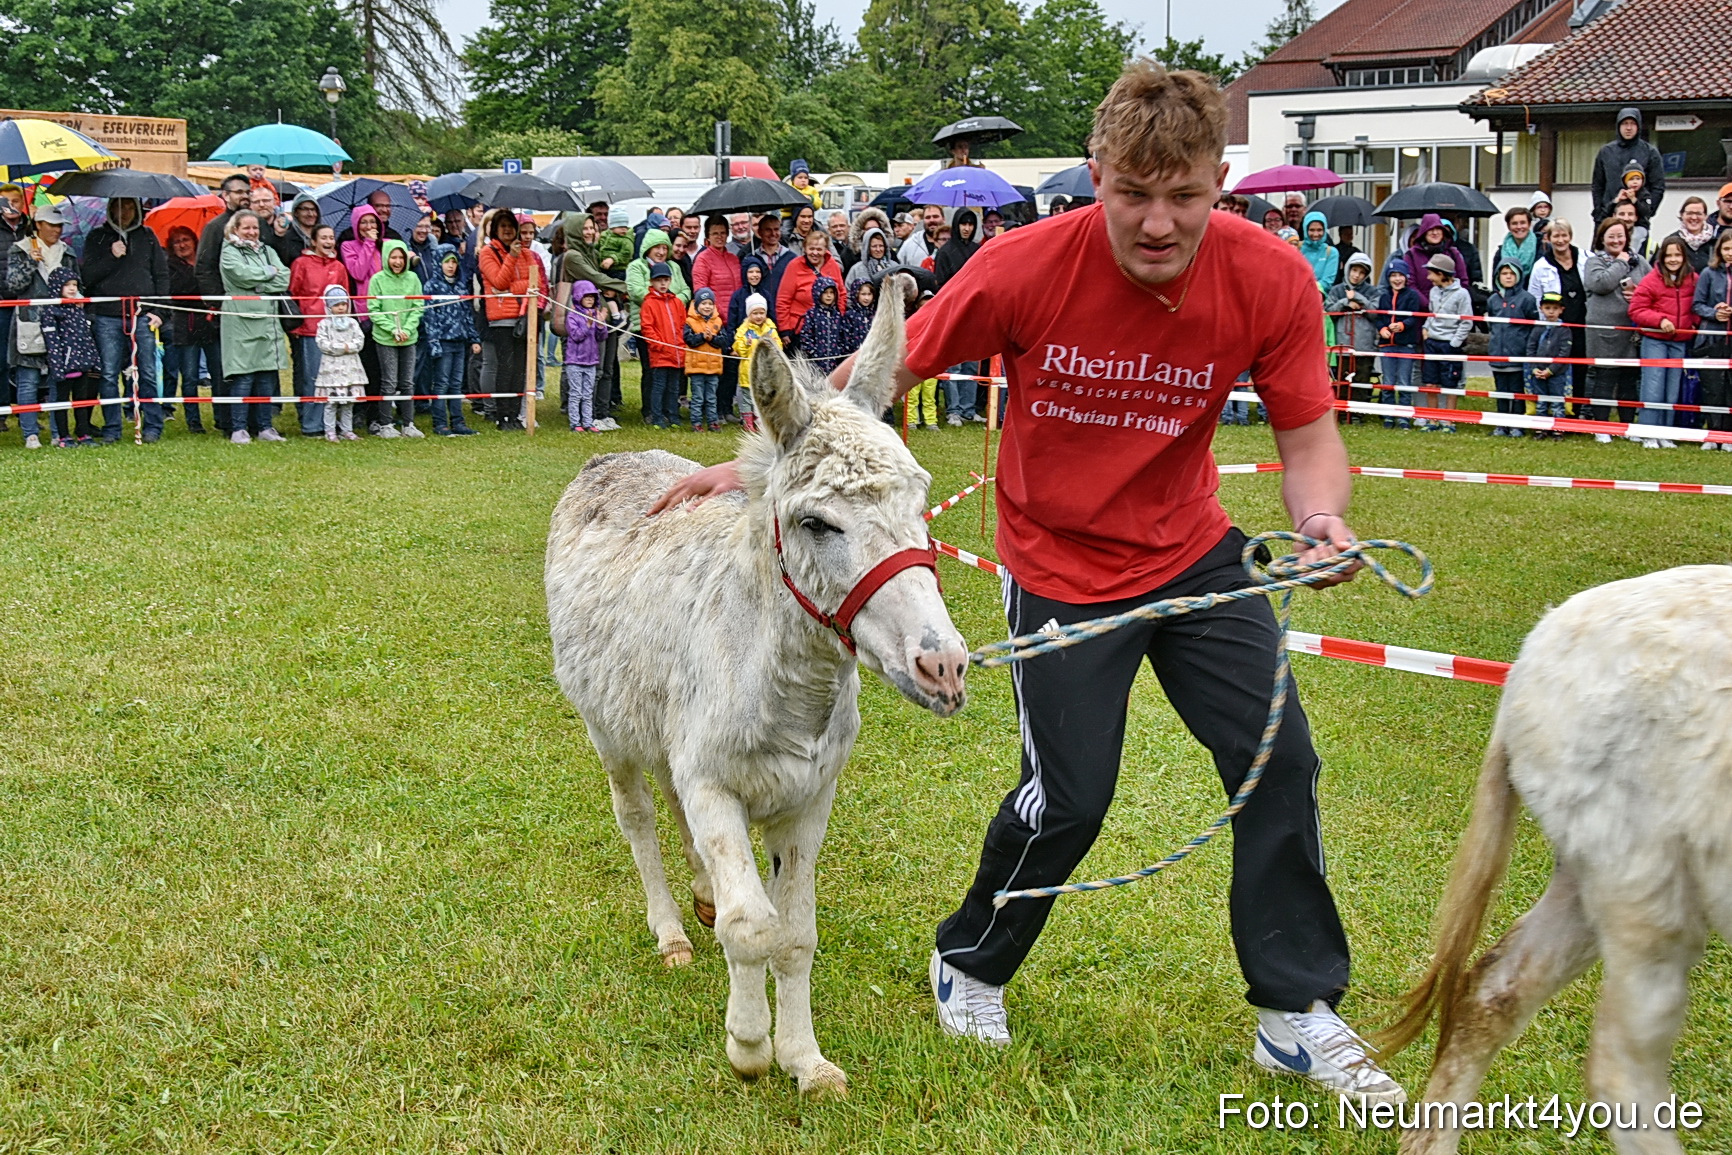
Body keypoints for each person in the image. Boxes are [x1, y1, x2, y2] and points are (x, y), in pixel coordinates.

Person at [648, 58, 1407, 1106]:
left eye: (1182, 197)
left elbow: (1307, 432)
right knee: (1071, 798)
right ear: (1095, 172)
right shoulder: (1022, 267)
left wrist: (1321, 518)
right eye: (1130, 195)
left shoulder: (1269, 279)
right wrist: (755, 466)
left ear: (1218, 180)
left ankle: (1295, 1012)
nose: (1155, 222)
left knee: (1278, 759)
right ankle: (969, 959)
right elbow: (872, 387)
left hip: (1192, 549)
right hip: (1058, 562)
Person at [80, 196, 169, 444]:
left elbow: (161, 276)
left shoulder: (148, 236)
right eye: (120, 206)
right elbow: (87, 278)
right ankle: (112, 428)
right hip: (107, 316)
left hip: (142, 315)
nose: (125, 211)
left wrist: (161, 311)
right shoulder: (96, 237)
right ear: (110, 209)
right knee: (108, 374)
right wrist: (111, 256)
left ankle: (153, 425)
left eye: (130, 206)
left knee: (148, 372)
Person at [218, 210, 291, 444]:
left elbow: (285, 278)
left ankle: (265, 427)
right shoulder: (229, 252)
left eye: (255, 228)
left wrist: (259, 285)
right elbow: (240, 275)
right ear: (235, 229)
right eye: (246, 228)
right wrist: (268, 274)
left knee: (267, 374)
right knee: (244, 374)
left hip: (268, 320)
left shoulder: (269, 251)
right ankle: (238, 428)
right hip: (241, 321)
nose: (252, 232)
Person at [556, 214, 628, 431]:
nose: (589, 232)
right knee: (593, 369)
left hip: (603, 314)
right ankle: (590, 415)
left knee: (607, 368)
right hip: (585, 319)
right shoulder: (573, 256)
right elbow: (597, 279)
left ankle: (604, 413)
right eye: (584, 228)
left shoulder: (593, 253)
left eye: (592, 228)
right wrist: (625, 287)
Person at [1628, 235, 1697, 448]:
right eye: (1669, 255)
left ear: (1684, 257)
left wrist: (1693, 324)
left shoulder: (1694, 278)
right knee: (1653, 385)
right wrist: (1660, 320)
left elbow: (1697, 305)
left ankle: (1665, 433)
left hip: (1680, 340)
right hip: (1655, 340)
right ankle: (1649, 432)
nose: (1673, 259)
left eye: (1677, 255)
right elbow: (1636, 310)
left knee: (1672, 388)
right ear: (1662, 257)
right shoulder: (1652, 279)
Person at [1582, 216, 1649, 432]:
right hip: (1604, 332)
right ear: (1602, 238)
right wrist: (1621, 262)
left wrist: (1639, 293)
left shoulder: (1639, 260)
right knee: (1605, 378)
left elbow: (1653, 286)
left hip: (1631, 330)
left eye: (1620, 235)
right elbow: (1600, 283)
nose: (1616, 240)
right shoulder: (1594, 261)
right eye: (1611, 236)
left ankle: (1627, 426)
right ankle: (1601, 428)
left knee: (1629, 381)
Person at [286, 224, 350, 438]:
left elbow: (345, 296)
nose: (328, 241)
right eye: (323, 237)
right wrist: (296, 324)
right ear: (313, 241)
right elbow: (293, 294)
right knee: (312, 377)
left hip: (335, 329)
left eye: (331, 237)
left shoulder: (339, 267)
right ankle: (311, 424)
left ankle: (331, 423)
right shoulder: (301, 264)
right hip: (310, 328)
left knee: (333, 378)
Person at [476, 209, 532, 430]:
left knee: (520, 369)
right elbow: (498, 282)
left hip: (523, 316)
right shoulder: (487, 253)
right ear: (495, 230)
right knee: (505, 367)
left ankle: (515, 414)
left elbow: (533, 283)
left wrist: (513, 287)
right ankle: (502, 416)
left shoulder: (525, 252)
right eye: (503, 226)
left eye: (511, 225)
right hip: (501, 318)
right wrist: (512, 258)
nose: (508, 230)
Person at [420, 244, 480, 436]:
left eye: (454, 261)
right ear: (439, 263)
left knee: (455, 384)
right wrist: (434, 342)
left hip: (460, 341)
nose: (451, 266)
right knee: (441, 383)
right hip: (442, 342)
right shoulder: (431, 286)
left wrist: (474, 338)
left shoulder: (461, 286)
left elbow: (467, 315)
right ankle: (440, 422)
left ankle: (458, 422)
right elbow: (430, 318)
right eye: (447, 262)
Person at [1527, 219, 1587, 410]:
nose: (1560, 240)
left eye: (1564, 235)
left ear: (1570, 236)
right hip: (1555, 329)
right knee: (1556, 372)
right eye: (1556, 236)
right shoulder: (1540, 266)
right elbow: (1535, 299)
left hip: (1582, 326)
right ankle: (1553, 414)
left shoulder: (1586, 258)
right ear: (1548, 238)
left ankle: (1577, 412)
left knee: (1580, 369)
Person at [368, 238, 424, 438]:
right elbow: (373, 310)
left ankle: (408, 423)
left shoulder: (413, 279)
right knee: (389, 382)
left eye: (401, 257)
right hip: (385, 338)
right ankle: (386, 425)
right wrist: (393, 329)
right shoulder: (377, 280)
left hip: (408, 338)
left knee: (407, 382)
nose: (398, 261)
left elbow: (418, 308)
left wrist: (407, 330)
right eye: (393, 257)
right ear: (386, 258)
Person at [40, 268, 103, 445]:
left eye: (74, 284)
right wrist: (58, 367)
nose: (72, 288)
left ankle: (83, 433)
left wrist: (94, 360)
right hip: (64, 366)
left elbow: (87, 338)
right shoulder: (51, 312)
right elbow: (52, 343)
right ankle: (63, 436)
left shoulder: (79, 311)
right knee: (61, 402)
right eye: (67, 285)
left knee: (81, 401)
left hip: (83, 365)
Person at [161, 226, 212, 434]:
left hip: (210, 323)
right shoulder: (170, 266)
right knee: (189, 376)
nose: (182, 245)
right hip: (184, 325)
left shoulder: (205, 260)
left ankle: (222, 418)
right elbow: (179, 289)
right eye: (176, 242)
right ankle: (193, 421)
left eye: (185, 240)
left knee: (217, 373)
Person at [1485, 259, 1538, 437]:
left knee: (1516, 391)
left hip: (1517, 354)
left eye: (1512, 273)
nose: (1508, 277)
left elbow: (1532, 326)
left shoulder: (1527, 299)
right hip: (1497, 355)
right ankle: (1501, 424)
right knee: (1501, 391)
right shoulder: (1493, 299)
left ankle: (1517, 424)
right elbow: (1492, 324)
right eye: (1504, 273)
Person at [1420, 252, 1471, 432]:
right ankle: (1432, 419)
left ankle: (1449, 420)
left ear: (1441, 273)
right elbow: (1432, 313)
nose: (1428, 277)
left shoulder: (1462, 294)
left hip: (1449, 344)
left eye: (1431, 273)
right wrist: (1426, 329)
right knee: (1430, 382)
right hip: (1432, 342)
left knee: (1450, 383)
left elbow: (1466, 321)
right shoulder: (1433, 291)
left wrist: (1454, 343)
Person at [1692, 230, 1732, 451]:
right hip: (1712, 338)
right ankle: (1712, 433)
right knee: (1712, 388)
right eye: (1726, 249)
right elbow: (1697, 305)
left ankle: (1728, 436)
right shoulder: (1708, 273)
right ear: (1719, 251)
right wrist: (1714, 313)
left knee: (1730, 388)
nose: (1730, 253)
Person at [1323, 253, 1378, 417]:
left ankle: (1357, 414)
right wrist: (1345, 302)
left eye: (1361, 272)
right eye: (1354, 270)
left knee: (1361, 380)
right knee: (1341, 379)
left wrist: (1358, 298)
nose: (1357, 275)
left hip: (1363, 344)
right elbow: (1330, 310)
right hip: (1342, 343)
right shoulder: (1337, 290)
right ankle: (1340, 411)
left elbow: (1375, 312)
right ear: (1348, 269)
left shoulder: (1372, 291)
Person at [1592, 107, 1666, 225]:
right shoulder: (1606, 152)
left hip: (1638, 220)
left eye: (1632, 123)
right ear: (1618, 126)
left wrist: (1647, 211)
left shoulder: (1650, 152)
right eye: (1625, 123)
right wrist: (1600, 212)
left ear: (1639, 126)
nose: (1628, 128)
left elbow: (1658, 186)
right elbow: (1598, 186)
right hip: (1608, 216)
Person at [1374, 266, 1425, 429]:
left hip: (1406, 345)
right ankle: (1388, 415)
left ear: (1406, 277)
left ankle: (1403, 416)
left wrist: (1402, 325)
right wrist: (1382, 329)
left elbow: (1413, 318)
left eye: (1400, 275)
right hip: (1387, 345)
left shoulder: (1412, 296)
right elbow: (1379, 318)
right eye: (1393, 275)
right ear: (1388, 278)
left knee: (1404, 381)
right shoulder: (1384, 296)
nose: (1397, 279)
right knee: (1388, 382)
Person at [313, 286, 366, 441]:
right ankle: (329, 430)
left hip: (351, 368)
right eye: (337, 305)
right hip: (331, 369)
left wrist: (350, 347)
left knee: (349, 402)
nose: (341, 307)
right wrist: (341, 347)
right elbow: (322, 343)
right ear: (329, 306)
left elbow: (359, 341)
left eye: (343, 303)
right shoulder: (324, 324)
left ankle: (346, 429)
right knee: (331, 402)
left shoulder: (353, 323)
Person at [638, 261, 687, 429]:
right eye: (659, 280)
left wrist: (681, 346)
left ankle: (673, 416)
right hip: (660, 354)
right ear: (652, 282)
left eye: (666, 280)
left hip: (676, 353)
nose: (663, 283)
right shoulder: (649, 303)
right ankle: (657, 417)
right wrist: (660, 345)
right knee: (659, 387)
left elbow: (682, 326)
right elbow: (647, 328)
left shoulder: (677, 303)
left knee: (674, 388)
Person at [775, 230, 844, 345]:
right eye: (811, 249)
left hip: (828, 327)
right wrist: (784, 330)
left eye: (819, 249)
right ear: (805, 249)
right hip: (800, 328)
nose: (815, 253)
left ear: (826, 249)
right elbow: (783, 300)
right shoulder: (794, 266)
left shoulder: (832, 265)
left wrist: (838, 317)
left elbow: (841, 293)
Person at [727, 292, 776, 432]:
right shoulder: (744, 330)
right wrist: (747, 344)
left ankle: (760, 420)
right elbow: (739, 348)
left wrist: (772, 343)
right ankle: (747, 421)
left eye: (762, 313)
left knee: (762, 397)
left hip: (765, 371)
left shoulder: (770, 328)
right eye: (755, 313)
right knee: (747, 398)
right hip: (747, 371)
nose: (759, 316)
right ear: (749, 314)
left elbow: (777, 347)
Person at [564, 278, 606, 433]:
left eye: (593, 297)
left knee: (588, 394)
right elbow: (576, 336)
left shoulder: (595, 314)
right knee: (576, 393)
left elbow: (601, 337)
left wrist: (601, 325)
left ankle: (588, 422)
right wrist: (588, 325)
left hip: (591, 361)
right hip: (574, 361)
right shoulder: (572, 316)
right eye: (586, 296)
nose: (590, 299)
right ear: (578, 297)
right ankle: (575, 423)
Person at [1525, 292, 1572, 431]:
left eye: (1555, 308)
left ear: (1561, 310)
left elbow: (1564, 353)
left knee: (1557, 401)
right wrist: (1534, 368)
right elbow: (1530, 348)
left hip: (1557, 373)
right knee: (1541, 400)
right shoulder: (1538, 327)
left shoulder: (1564, 330)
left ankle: (1558, 428)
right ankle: (1541, 428)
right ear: (1541, 308)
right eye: (1547, 308)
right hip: (1538, 372)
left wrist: (1551, 370)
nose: (1551, 312)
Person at [683, 286, 725, 431]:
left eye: (710, 304)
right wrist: (702, 337)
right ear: (696, 305)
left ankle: (713, 422)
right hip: (696, 368)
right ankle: (696, 422)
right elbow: (689, 340)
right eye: (703, 303)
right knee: (697, 398)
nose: (707, 307)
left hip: (713, 368)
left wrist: (712, 338)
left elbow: (723, 341)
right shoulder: (690, 322)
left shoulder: (718, 322)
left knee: (712, 398)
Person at [794, 276, 846, 376]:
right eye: (825, 292)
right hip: (815, 362)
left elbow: (842, 335)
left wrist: (839, 351)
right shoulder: (812, 314)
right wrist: (813, 352)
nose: (829, 296)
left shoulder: (837, 315)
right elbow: (806, 336)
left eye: (831, 293)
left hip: (834, 363)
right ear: (818, 293)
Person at [1403, 213, 1466, 287]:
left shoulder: (1453, 253)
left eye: (1438, 229)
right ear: (1424, 232)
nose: (1435, 233)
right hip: (1419, 298)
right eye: (1431, 229)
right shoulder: (1411, 255)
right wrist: (1430, 299)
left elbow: (1463, 281)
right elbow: (1411, 284)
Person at [1661, 196, 1715, 273]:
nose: (1694, 217)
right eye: (1689, 213)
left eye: (1698, 213)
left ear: (1706, 216)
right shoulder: (1671, 242)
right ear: (1682, 215)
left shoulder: (1715, 243)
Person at [1495, 206, 1538, 282]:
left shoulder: (1541, 247)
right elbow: (1496, 280)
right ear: (1508, 226)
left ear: (1529, 224)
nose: (1519, 227)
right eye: (1514, 223)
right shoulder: (1500, 253)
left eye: (1523, 223)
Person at [1298, 211, 1338, 290]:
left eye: (1319, 230)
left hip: (1321, 299)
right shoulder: (1296, 248)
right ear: (1305, 230)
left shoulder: (1331, 252)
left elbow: (1327, 282)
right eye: (1312, 230)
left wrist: (1307, 289)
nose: (1316, 234)